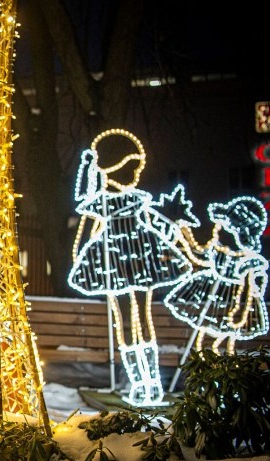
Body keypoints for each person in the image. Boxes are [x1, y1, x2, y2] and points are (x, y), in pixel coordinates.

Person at [68, 129, 191, 406]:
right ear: (115, 166)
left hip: (138, 256)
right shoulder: (99, 200)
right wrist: (83, 259)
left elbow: (152, 221)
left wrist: (173, 231)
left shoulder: (135, 198)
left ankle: (152, 384)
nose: (135, 174)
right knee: (126, 320)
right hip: (117, 261)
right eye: (130, 167)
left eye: (137, 167)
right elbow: (86, 226)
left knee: (140, 318)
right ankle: (140, 382)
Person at [164, 196, 269, 354]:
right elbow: (199, 256)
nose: (216, 231)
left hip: (232, 299)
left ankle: (223, 371)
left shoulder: (247, 260)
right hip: (212, 292)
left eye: (221, 228)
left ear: (235, 233)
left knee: (225, 341)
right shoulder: (218, 250)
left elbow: (252, 287)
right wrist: (183, 234)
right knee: (204, 338)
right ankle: (207, 368)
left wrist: (241, 311)